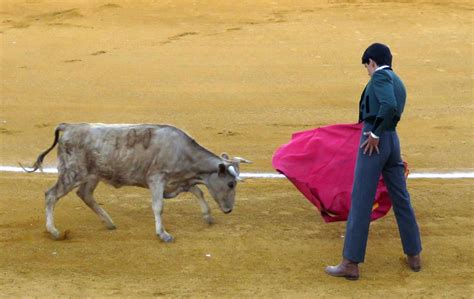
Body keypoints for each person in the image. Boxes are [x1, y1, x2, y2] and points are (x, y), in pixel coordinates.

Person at [325, 43, 422, 280]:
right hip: (392, 140)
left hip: (374, 141)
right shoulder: (397, 80)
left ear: (372, 62)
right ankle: (414, 254)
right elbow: (393, 108)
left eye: (367, 67)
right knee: (400, 197)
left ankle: (350, 263)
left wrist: (375, 133)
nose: (367, 71)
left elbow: (387, 105)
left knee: (361, 200)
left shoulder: (379, 78)